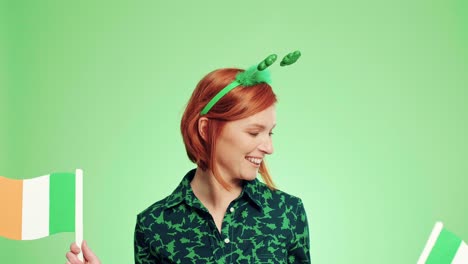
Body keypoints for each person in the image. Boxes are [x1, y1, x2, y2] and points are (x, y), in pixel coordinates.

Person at [66, 52, 310, 264]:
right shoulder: (154, 225)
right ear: (206, 129)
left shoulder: (287, 213)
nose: (269, 148)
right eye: (254, 132)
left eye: (270, 133)